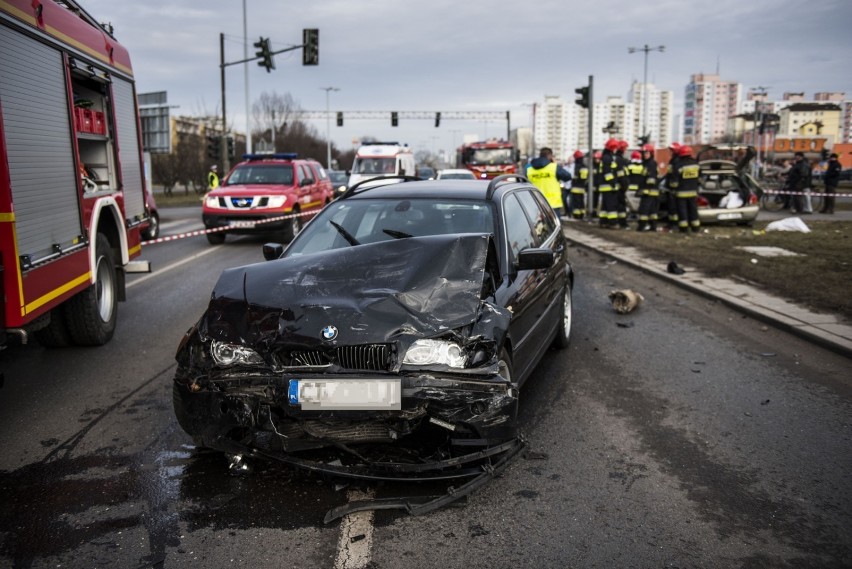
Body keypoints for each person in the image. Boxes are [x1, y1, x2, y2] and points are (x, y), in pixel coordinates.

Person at [526, 147, 572, 216]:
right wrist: (554, 163)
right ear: (550, 156)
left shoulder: (529, 170)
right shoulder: (554, 167)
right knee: (554, 226)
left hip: (536, 204)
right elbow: (568, 176)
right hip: (553, 204)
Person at [670, 145, 701, 233]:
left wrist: (672, 188)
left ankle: (684, 228)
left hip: (681, 193)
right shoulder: (695, 164)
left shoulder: (678, 165)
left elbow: (674, 182)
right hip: (693, 192)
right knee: (693, 210)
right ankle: (695, 227)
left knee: (682, 211)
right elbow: (700, 178)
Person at [596, 139, 621, 228]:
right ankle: (613, 223)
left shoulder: (605, 157)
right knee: (611, 205)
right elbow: (608, 173)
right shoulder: (608, 158)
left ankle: (603, 222)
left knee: (605, 206)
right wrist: (613, 183)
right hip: (609, 186)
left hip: (605, 186)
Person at [638, 143, 660, 231]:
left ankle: (642, 226)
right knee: (652, 211)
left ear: (651, 153)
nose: (644, 155)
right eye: (644, 153)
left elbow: (651, 179)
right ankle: (653, 226)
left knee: (644, 210)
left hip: (649, 191)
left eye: (647, 153)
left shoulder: (651, 163)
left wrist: (645, 188)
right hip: (649, 191)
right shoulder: (646, 164)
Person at [625, 150, 645, 229]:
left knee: (630, 203)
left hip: (630, 187)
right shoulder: (642, 166)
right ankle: (636, 214)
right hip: (639, 188)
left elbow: (626, 175)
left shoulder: (629, 166)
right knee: (638, 203)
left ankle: (632, 213)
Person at [614, 140, 631, 228]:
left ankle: (620, 222)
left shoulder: (618, 159)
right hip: (620, 187)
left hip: (619, 187)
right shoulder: (620, 160)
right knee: (621, 206)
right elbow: (621, 175)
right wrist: (624, 185)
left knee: (619, 205)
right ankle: (622, 223)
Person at [569, 150, 589, 219]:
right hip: (581, 187)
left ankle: (577, 215)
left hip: (577, 187)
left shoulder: (578, 166)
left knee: (577, 202)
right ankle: (581, 214)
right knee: (581, 201)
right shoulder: (582, 166)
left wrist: (576, 180)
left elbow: (583, 178)